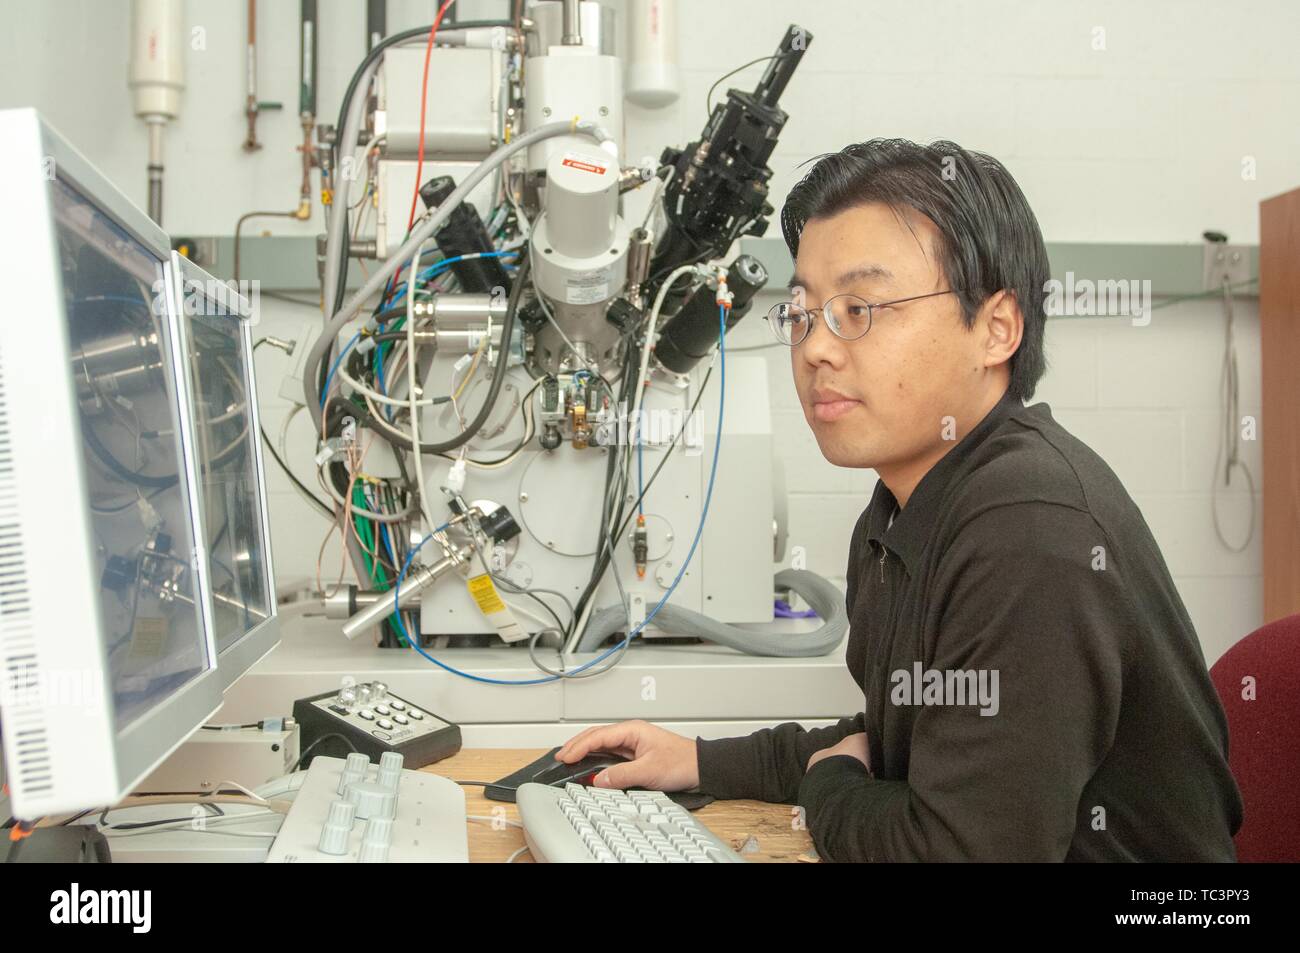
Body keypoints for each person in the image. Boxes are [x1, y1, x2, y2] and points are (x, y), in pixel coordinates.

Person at [556, 138, 1242, 861]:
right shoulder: (901, 513)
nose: (817, 346)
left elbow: (952, 848)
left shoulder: (1032, 529)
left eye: (860, 307)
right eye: (803, 312)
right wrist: (697, 759)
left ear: (996, 328)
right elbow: (897, 747)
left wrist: (831, 789)